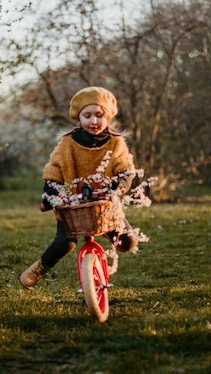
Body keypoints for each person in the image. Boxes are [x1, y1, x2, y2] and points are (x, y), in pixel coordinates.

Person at [20, 86, 139, 290]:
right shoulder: (68, 143)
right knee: (65, 243)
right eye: (87, 115)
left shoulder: (115, 143)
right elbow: (54, 169)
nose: (93, 121)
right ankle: (37, 270)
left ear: (108, 117)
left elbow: (125, 168)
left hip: (104, 204)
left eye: (99, 115)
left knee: (127, 241)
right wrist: (52, 192)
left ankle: (113, 238)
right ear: (79, 118)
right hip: (73, 206)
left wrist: (118, 186)